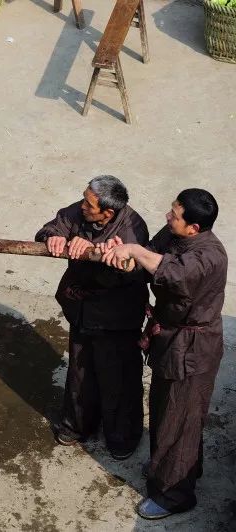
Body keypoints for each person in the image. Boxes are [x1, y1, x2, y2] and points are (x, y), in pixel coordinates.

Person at [100, 189, 227, 519]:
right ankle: (173, 469)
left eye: (175, 215)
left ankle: (174, 495)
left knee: (179, 421)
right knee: (164, 410)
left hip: (192, 351)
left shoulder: (209, 257)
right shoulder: (173, 235)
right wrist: (126, 256)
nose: (168, 218)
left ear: (194, 229)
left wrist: (135, 250)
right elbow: (150, 260)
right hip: (170, 340)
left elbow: (174, 273)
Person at [35, 175, 149, 459]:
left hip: (116, 319)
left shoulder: (134, 228)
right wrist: (55, 237)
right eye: (84, 199)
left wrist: (95, 254)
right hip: (81, 311)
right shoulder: (81, 210)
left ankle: (121, 438)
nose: (82, 206)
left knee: (118, 379)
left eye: (89, 203)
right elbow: (54, 225)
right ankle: (76, 426)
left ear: (107, 213)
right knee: (80, 371)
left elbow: (128, 274)